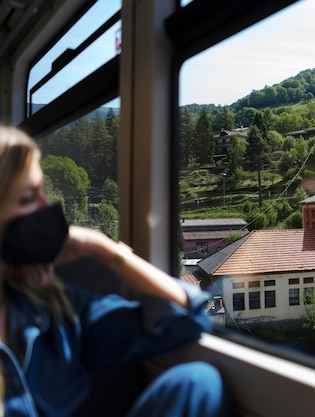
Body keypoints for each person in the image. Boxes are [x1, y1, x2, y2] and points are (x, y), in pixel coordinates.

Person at [0, 126, 227, 417]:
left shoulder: (53, 307)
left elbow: (185, 319)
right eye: (28, 198)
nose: (48, 208)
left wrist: (103, 249)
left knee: (198, 383)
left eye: (44, 191)